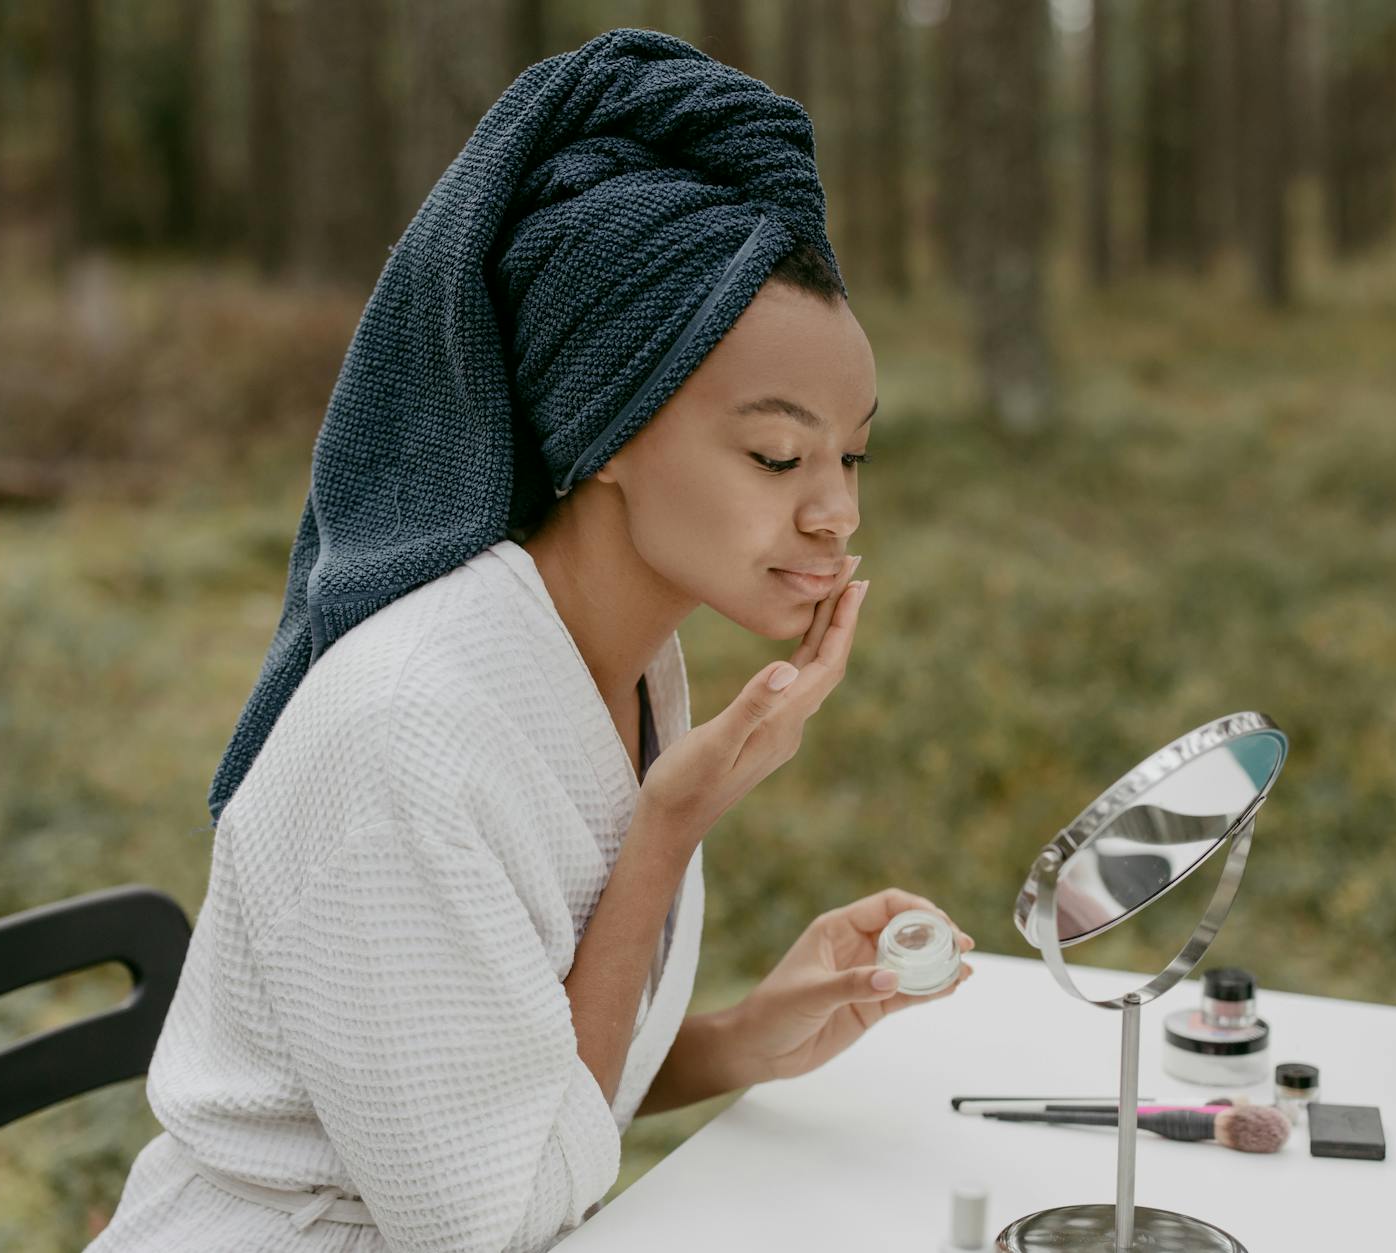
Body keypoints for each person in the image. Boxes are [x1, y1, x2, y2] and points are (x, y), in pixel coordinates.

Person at [84, 28, 971, 1253]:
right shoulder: (406, 732)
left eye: (850, 452)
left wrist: (741, 1036)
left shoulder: (620, 664)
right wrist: (666, 828)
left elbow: (510, 1082)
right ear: (605, 426)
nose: (835, 508)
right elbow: (484, 1218)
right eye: (777, 453)